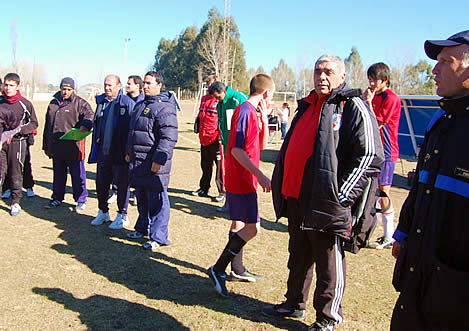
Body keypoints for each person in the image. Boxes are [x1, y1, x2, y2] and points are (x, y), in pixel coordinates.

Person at [262, 55, 383, 330]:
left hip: (327, 202)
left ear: (342, 77)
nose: (321, 76)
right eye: (318, 71)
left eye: (328, 71)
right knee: (298, 256)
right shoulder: (306, 105)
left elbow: (370, 155)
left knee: (328, 263)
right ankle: (294, 303)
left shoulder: (352, 105)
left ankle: (328, 317)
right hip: (296, 198)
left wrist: (341, 194)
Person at [390, 30, 469, 330]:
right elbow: (421, 187)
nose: (434, 70)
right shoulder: (439, 121)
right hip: (417, 279)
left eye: (446, 61)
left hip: (456, 294)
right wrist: (404, 232)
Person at [207, 74, 274, 297]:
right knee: (252, 228)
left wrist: (264, 120)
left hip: (246, 178)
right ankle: (218, 268)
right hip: (241, 179)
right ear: (266, 93)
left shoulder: (253, 113)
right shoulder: (244, 111)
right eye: (271, 94)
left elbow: (260, 146)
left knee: (239, 225)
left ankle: (235, 268)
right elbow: (236, 150)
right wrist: (261, 175)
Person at [125, 71, 178, 251]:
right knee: (141, 198)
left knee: (158, 202)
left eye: (149, 83)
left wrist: (159, 160)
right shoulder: (140, 105)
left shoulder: (165, 108)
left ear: (159, 85)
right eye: (145, 83)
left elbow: (168, 137)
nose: (145, 86)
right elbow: (132, 132)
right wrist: (128, 151)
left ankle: (159, 237)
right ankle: (142, 228)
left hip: (154, 164)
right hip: (138, 161)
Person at [88, 74, 135, 229]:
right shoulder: (101, 102)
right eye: (105, 85)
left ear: (119, 86)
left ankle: (122, 215)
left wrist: (128, 150)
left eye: (111, 85)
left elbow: (132, 129)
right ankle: (103, 211)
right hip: (103, 151)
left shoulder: (127, 103)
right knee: (101, 182)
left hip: (120, 152)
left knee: (122, 185)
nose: (107, 88)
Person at [363, 63, 401, 249]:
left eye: (374, 79)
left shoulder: (391, 98)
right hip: (373, 150)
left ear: (384, 80)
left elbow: (377, 122)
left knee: (383, 193)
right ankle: (368, 230)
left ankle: (389, 236)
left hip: (386, 152)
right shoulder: (373, 95)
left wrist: (368, 103)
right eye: (369, 78)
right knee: (371, 192)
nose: (371, 82)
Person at [43, 77, 94, 211]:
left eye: (69, 89)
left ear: (73, 90)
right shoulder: (53, 103)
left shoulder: (80, 103)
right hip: (57, 147)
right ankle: (57, 197)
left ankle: (81, 199)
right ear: (60, 88)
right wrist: (46, 146)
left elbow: (89, 116)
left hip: (74, 147)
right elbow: (47, 126)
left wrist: (85, 125)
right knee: (58, 174)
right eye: (63, 89)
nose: (65, 92)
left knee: (78, 175)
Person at [0, 73, 39, 216]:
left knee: (16, 172)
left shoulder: (25, 104)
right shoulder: (0, 101)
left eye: (11, 85)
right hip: (2, 143)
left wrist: (18, 131)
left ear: (17, 86)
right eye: (6, 85)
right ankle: (5, 190)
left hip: (18, 143)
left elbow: (34, 123)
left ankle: (15, 202)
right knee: (1, 171)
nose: (8, 88)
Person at [208, 81, 247, 212]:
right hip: (227, 146)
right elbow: (222, 123)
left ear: (224, 91)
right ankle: (229, 203)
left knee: (240, 177)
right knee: (229, 175)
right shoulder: (220, 104)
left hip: (240, 148)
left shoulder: (238, 99)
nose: (216, 100)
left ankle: (241, 205)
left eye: (218, 97)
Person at [108, 75, 144, 206]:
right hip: (122, 141)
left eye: (129, 83)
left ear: (137, 86)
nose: (127, 85)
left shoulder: (143, 101)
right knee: (119, 171)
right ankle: (116, 192)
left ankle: (136, 193)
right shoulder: (122, 100)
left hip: (136, 141)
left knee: (135, 170)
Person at [192, 75, 224, 202]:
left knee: (220, 168)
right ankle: (204, 188)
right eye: (208, 84)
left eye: (211, 83)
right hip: (204, 138)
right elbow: (201, 116)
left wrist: (219, 136)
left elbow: (221, 120)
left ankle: (222, 191)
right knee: (205, 165)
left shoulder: (219, 100)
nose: (209, 86)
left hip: (215, 139)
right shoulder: (204, 99)